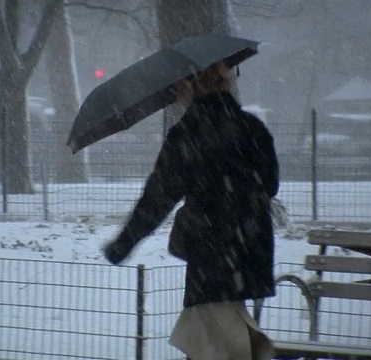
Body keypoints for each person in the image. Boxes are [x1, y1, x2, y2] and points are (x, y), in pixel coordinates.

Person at [103, 61, 279, 360]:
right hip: (251, 247)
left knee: (217, 340)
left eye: (179, 83)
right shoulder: (252, 127)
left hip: (211, 251)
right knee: (221, 328)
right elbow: (270, 185)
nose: (174, 89)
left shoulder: (187, 134)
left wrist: (124, 242)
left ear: (194, 85)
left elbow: (157, 199)